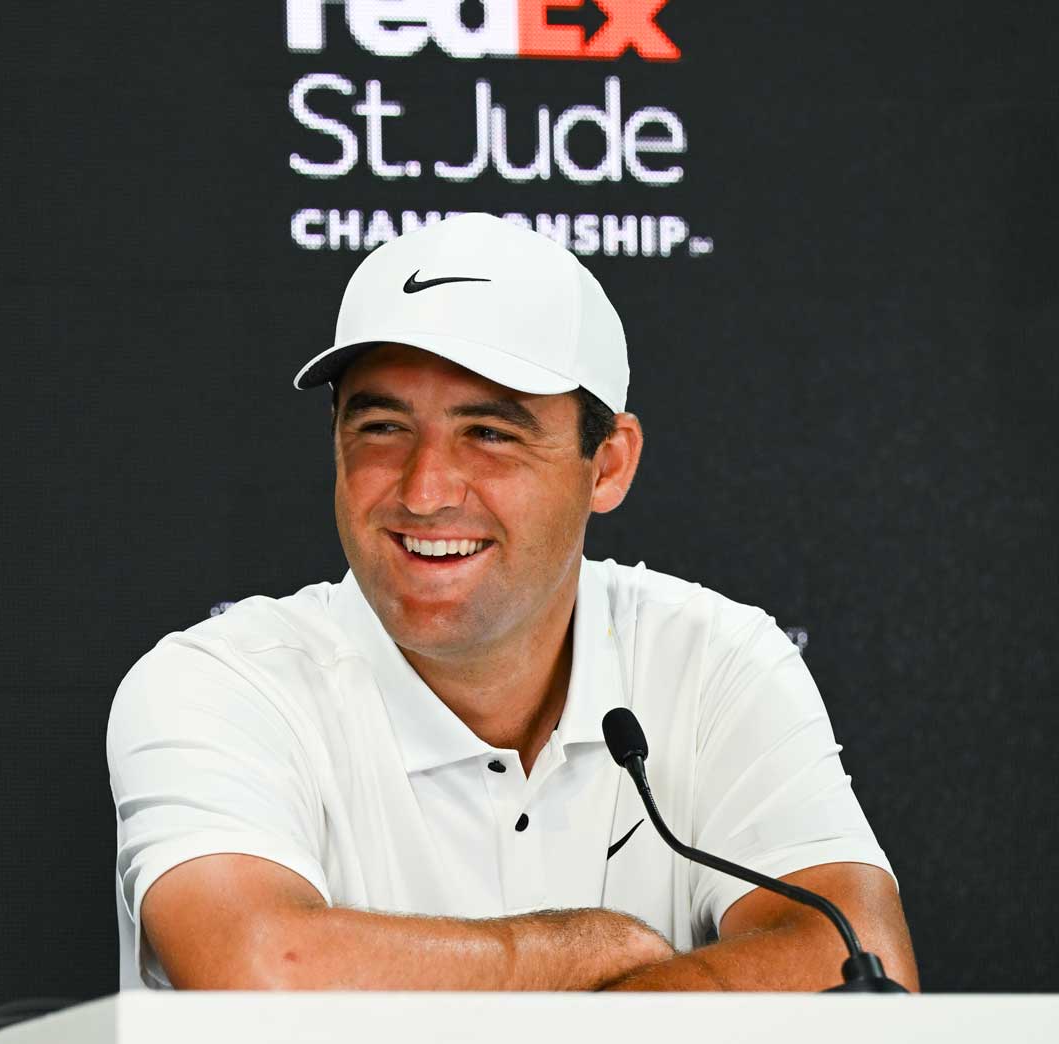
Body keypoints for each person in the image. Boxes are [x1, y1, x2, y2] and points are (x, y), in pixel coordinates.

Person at [106, 213, 917, 991]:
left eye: (490, 434)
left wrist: (604, 1000)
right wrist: (595, 946)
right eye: (382, 428)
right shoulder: (216, 683)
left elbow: (859, 965)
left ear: (607, 465)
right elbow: (260, 974)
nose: (424, 492)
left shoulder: (717, 662)